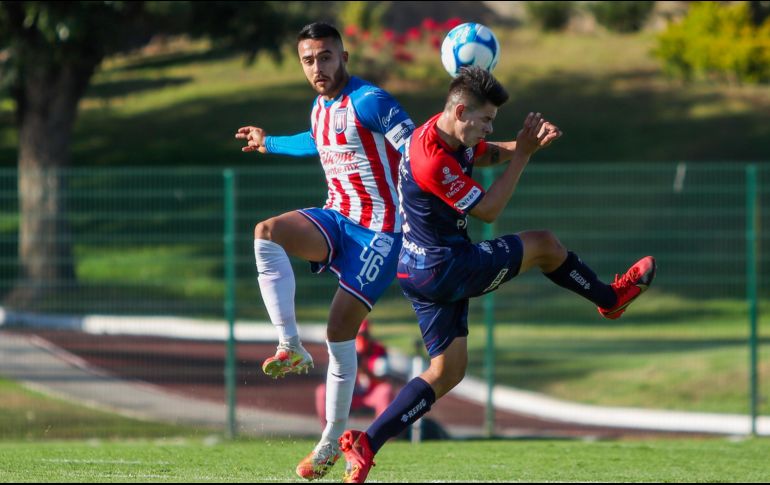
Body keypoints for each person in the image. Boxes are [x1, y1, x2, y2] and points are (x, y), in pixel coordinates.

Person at [337, 66, 657, 483]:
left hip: (416, 271)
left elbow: (483, 153)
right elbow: (488, 210)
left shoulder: (444, 131)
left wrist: (521, 144)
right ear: (460, 109)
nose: (489, 127)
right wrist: (523, 153)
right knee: (543, 244)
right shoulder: (431, 159)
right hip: (446, 267)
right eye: (485, 119)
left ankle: (367, 444)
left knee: (447, 371)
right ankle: (610, 300)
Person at [234, 22, 415, 480]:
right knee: (267, 232)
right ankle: (290, 346)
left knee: (338, 333)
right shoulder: (320, 108)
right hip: (337, 218)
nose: (318, 66)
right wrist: (267, 141)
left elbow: (417, 153)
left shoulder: (371, 101)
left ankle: (330, 442)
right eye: (309, 60)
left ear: (344, 57)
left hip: (381, 233)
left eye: (326, 56)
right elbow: (315, 139)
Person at [315, 320, 394, 424]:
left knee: (386, 390)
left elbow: (383, 379)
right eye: (358, 335)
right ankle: (329, 435)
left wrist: (366, 370)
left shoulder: (378, 350)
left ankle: (382, 434)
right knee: (322, 391)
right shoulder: (343, 349)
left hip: (370, 394)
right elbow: (331, 378)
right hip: (347, 393)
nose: (362, 338)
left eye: (364, 335)